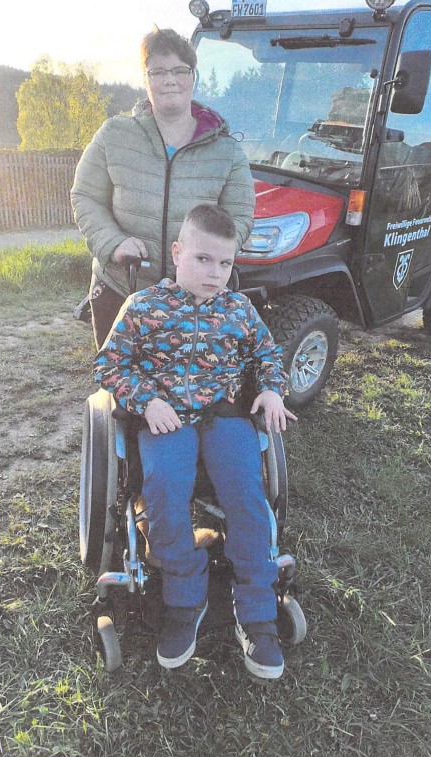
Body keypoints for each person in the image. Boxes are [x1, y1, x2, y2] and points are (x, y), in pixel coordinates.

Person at [94, 205, 297, 680]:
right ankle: (186, 598)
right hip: (165, 419)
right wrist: (146, 401)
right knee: (164, 492)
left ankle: (256, 611)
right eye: (203, 259)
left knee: (247, 497)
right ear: (177, 252)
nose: (215, 273)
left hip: (223, 417)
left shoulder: (238, 309)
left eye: (225, 263)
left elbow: (268, 354)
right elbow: (108, 364)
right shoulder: (143, 306)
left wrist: (272, 388)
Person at [71, 27, 255, 349]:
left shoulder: (226, 150)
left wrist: (209, 262)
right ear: (146, 80)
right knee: (118, 376)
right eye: (157, 71)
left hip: (195, 300)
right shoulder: (113, 135)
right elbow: (85, 196)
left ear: (193, 77)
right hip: (120, 289)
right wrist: (114, 242)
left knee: (184, 377)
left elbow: (240, 216)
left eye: (179, 70)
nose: (169, 80)